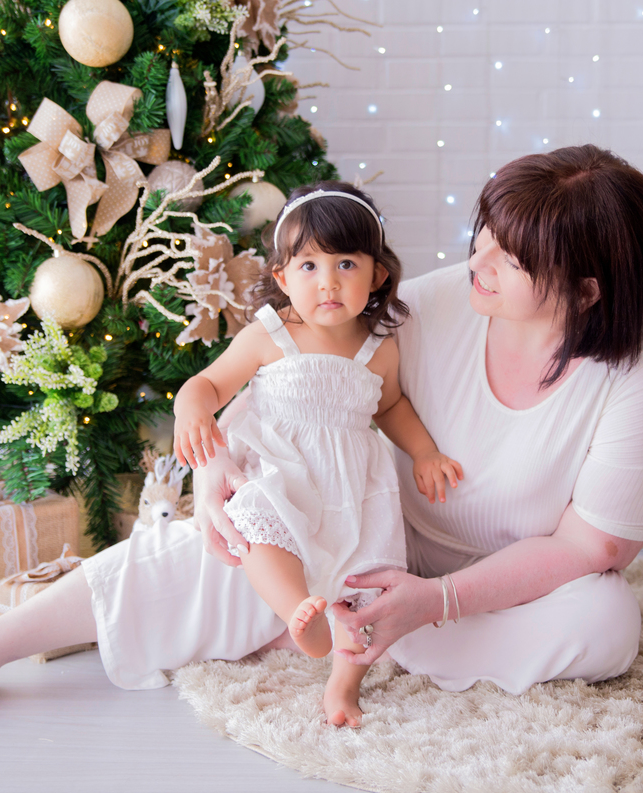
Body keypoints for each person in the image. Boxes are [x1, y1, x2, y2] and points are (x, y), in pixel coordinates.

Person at [0, 144, 643, 744]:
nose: (479, 261)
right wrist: (217, 473)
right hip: (361, 541)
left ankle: (364, 633)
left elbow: (593, 546)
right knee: (224, 545)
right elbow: (282, 385)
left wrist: (435, 600)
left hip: (503, 585)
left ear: (584, 291)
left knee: (606, 620)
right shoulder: (424, 307)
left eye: (510, 257)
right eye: (484, 236)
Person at [172, 182, 463, 725]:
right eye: (308, 266)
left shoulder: (379, 348)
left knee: (368, 581)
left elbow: (390, 407)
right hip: (281, 469)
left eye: (346, 264)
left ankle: (344, 687)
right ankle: (296, 612)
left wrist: (424, 452)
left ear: (377, 275)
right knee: (256, 521)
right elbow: (208, 383)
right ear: (282, 278)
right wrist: (191, 409)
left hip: (352, 485)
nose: (328, 281)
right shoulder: (271, 333)